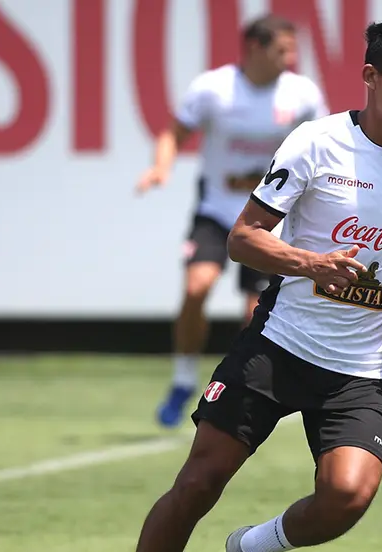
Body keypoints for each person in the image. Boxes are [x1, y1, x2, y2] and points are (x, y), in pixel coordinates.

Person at [120, 20, 382, 552]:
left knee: (347, 496)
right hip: (278, 347)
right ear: (371, 78)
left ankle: (249, 549)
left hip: (361, 366)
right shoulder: (316, 141)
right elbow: (242, 238)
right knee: (199, 482)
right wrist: (312, 263)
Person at [136, 14, 329, 428]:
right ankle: (183, 378)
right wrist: (160, 167)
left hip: (267, 221)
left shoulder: (302, 94)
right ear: (255, 48)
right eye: (283, 50)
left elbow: (325, 149)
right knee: (196, 286)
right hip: (216, 212)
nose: (291, 58)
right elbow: (173, 133)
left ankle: (246, 392)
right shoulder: (213, 89)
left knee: (255, 313)